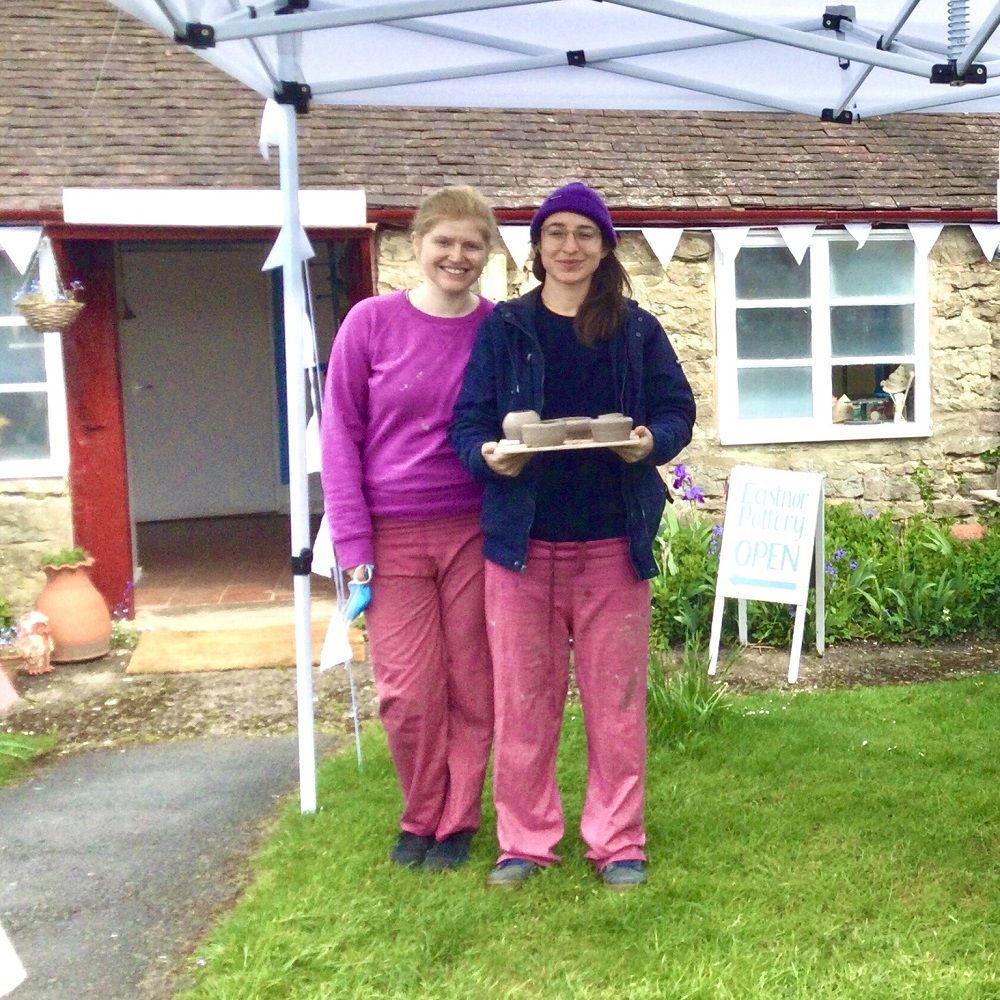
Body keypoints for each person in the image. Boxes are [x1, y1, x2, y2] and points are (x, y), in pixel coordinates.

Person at [450, 181, 696, 890]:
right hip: (522, 546)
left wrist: (649, 443)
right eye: (555, 232)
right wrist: (489, 456)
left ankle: (618, 841)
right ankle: (524, 843)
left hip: (613, 543)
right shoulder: (506, 327)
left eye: (584, 233)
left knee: (615, 702)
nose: (569, 245)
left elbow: (676, 410)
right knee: (523, 702)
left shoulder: (638, 328)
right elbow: (467, 425)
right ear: (536, 246)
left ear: (605, 247)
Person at [321, 185, 499, 871]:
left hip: (475, 529)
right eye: (444, 242)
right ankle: (420, 811)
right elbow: (340, 438)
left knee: (471, 682)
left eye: (472, 244)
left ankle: (457, 822)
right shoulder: (369, 323)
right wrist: (353, 546)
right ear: (418, 244)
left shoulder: (498, 328)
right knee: (406, 689)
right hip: (391, 535)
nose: (457, 256)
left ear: (487, 252)